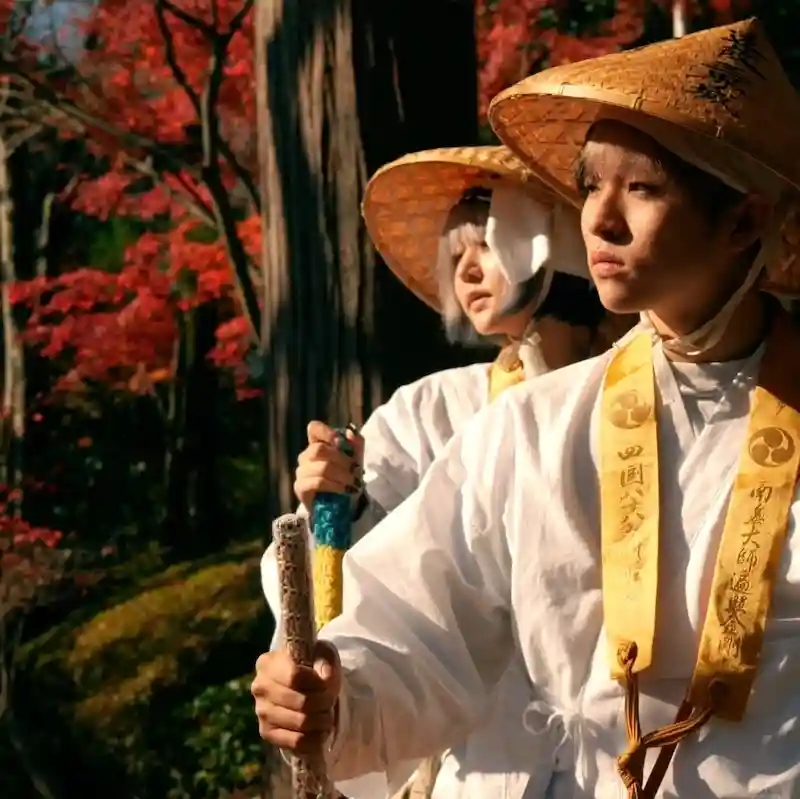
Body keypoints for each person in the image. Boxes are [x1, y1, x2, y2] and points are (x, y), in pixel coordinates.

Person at [255, 18, 800, 797]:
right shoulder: (531, 427)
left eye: (642, 187)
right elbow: (419, 621)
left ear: (743, 220)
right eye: (590, 186)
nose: (599, 218)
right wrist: (338, 693)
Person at [260, 145, 630, 799]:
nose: (467, 270)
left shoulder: (644, 396)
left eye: (487, 245)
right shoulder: (429, 409)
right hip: (475, 759)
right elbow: (387, 587)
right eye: (455, 255)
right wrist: (342, 502)